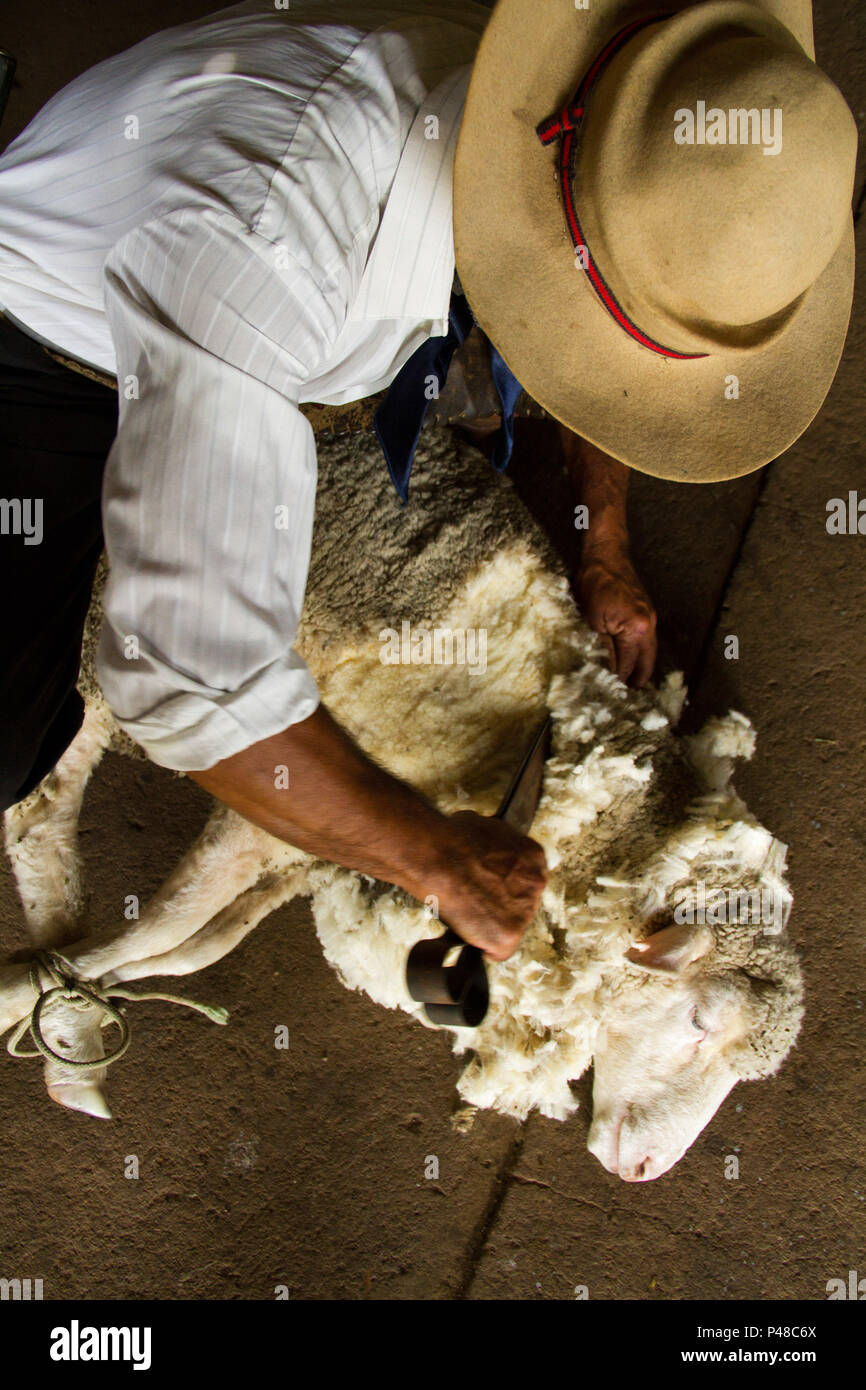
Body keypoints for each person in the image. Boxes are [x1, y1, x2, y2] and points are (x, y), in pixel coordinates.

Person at [0, 0, 855, 964]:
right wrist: (434, 859)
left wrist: (605, 542)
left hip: (284, 328)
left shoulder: (564, 123)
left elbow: (594, 353)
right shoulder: (274, 237)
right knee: (11, 744)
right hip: (48, 342)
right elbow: (188, 672)